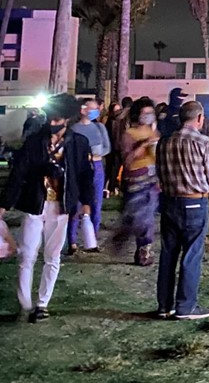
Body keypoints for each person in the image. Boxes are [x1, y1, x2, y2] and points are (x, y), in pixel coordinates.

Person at [1, 94, 93, 323]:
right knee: (27, 254)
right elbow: (18, 174)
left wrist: (87, 203)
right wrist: (4, 204)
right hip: (35, 204)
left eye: (57, 120)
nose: (52, 124)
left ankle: (42, 304)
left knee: (52, 256)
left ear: (68, 120)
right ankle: (25, 303)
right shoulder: (34, 142)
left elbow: (85, 176)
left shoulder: (78, 143)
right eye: (50, 119)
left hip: (60, 207)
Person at [154, 101, 209, 320]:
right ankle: (186, 306)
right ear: (200, 118)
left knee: (168, 255)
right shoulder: (204, 143)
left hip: (170, 202)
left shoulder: (164, 142)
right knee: (191, 255)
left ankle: (164, 306)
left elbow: (160, 173)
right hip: (194, 203)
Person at [114, 97, 161, 266]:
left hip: (152, 178)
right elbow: (127, 160)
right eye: (145, 113)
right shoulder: (129, 134)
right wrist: (144, 144)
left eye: (151, 113)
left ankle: (144, 252)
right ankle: (134, 244)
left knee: (147, 218)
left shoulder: (154, 132)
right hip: (135, 180)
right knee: (139, 218)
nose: (148, 116)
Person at [67, 99, 111, 253]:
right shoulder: (73, 129)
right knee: (76, 205)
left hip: (97, 167)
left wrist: (95, 155)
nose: (96, 111)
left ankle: (92, 239)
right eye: (92, 108)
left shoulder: (99, 128)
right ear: (83, 110)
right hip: (80, 168)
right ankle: (72, 241)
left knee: (96, 204)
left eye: (96, 109)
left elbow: (107, 148)